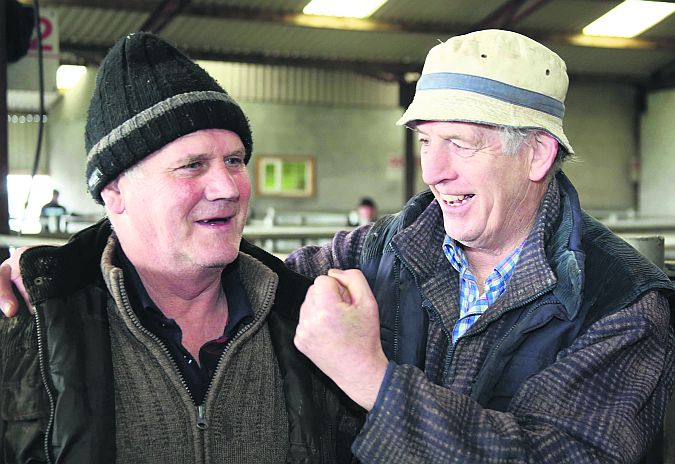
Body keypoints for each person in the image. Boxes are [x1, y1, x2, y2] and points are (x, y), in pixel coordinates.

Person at [287, 30, 675, 463]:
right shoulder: (384, 248)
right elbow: (262, 285)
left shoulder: (622, 305)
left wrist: (369, 377)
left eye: (460, 144)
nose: (433, 171)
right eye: (426, 142)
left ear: (537, 154)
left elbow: (562, 454)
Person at [0, 32, 360, 463]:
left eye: (235, 160)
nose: (228, 187)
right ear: (114, 191)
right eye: (192, 165)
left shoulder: (303, 317)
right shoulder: (29, 326)